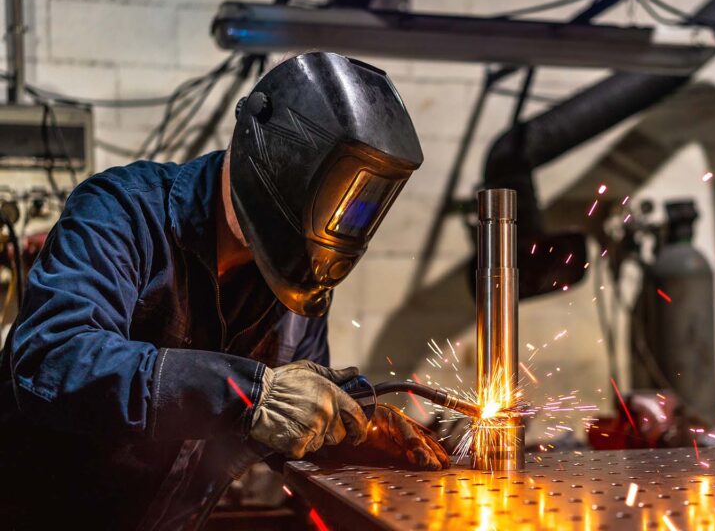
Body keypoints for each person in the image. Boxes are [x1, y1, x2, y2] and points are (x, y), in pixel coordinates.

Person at [0, 52, 449, 530]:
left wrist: (349, 431)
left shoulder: (297, 282)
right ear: (278, 161)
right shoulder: (122, 213)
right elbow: (53, 360)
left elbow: (284, 427)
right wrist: (245, 394)